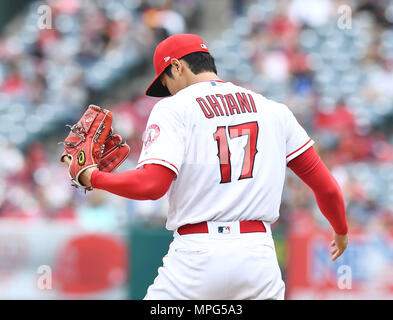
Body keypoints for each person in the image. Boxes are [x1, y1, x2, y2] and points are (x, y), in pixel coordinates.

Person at [68, 33, 348, 300]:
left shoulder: (174, 108)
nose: (166, 90)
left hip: (197, 255)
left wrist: (94, 177)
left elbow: (152, 186)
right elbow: (327, 188)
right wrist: (340, 230)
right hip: (258, 256)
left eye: (165, 81)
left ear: (177, 67)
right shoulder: (274, 110)